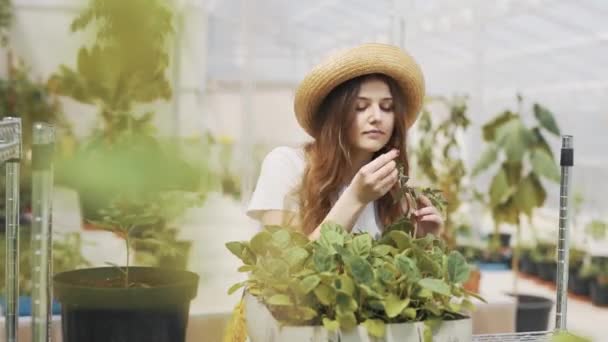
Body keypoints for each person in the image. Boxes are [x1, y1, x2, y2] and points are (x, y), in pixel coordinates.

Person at [246, 43, 443, 240]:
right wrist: (355, 198)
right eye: (360, 106)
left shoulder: (390, 192)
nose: (376, 116)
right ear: (336, 116)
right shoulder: (287, 165)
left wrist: (421, 241)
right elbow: (284, 265)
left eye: (386, 107)